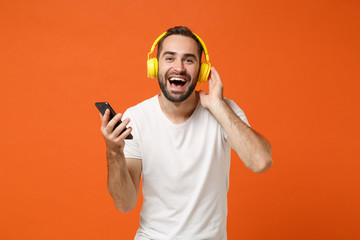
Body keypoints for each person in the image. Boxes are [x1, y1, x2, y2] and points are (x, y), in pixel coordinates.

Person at [99, 26, 272, 240]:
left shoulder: (224, 111)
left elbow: (261, 161)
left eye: (189, 60)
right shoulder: (136, 118)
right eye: (170, 58)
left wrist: (217, 106)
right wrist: (114, 152)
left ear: (202, 70)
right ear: (155, 66)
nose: (179, 68)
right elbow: (125, 204)